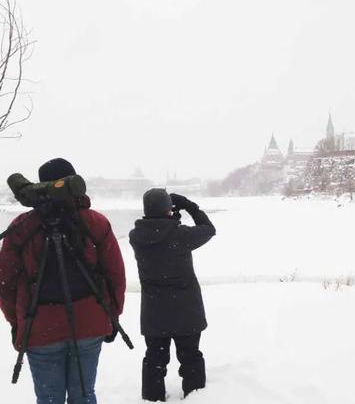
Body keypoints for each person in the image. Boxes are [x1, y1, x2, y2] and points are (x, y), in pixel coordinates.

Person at [0, 158, 126, 404]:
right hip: (89, 322)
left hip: (39, 328)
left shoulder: (22, 227)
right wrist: (112, 315)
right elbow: (115, 274)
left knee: (49, 398)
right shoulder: (95, 222)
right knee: (83, 395)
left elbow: (6, 282)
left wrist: (18, 323)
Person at [129, 189, 215, 402]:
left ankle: (152, 398)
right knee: (191, 357)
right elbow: (208, 229)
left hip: (154, 311)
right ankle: (194, 397)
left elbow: (157, 233)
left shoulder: (136, 237)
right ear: (168, 209)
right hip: (186, 309)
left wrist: (168, 217)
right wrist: (188, 206)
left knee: (155, 359)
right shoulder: (181, 235)